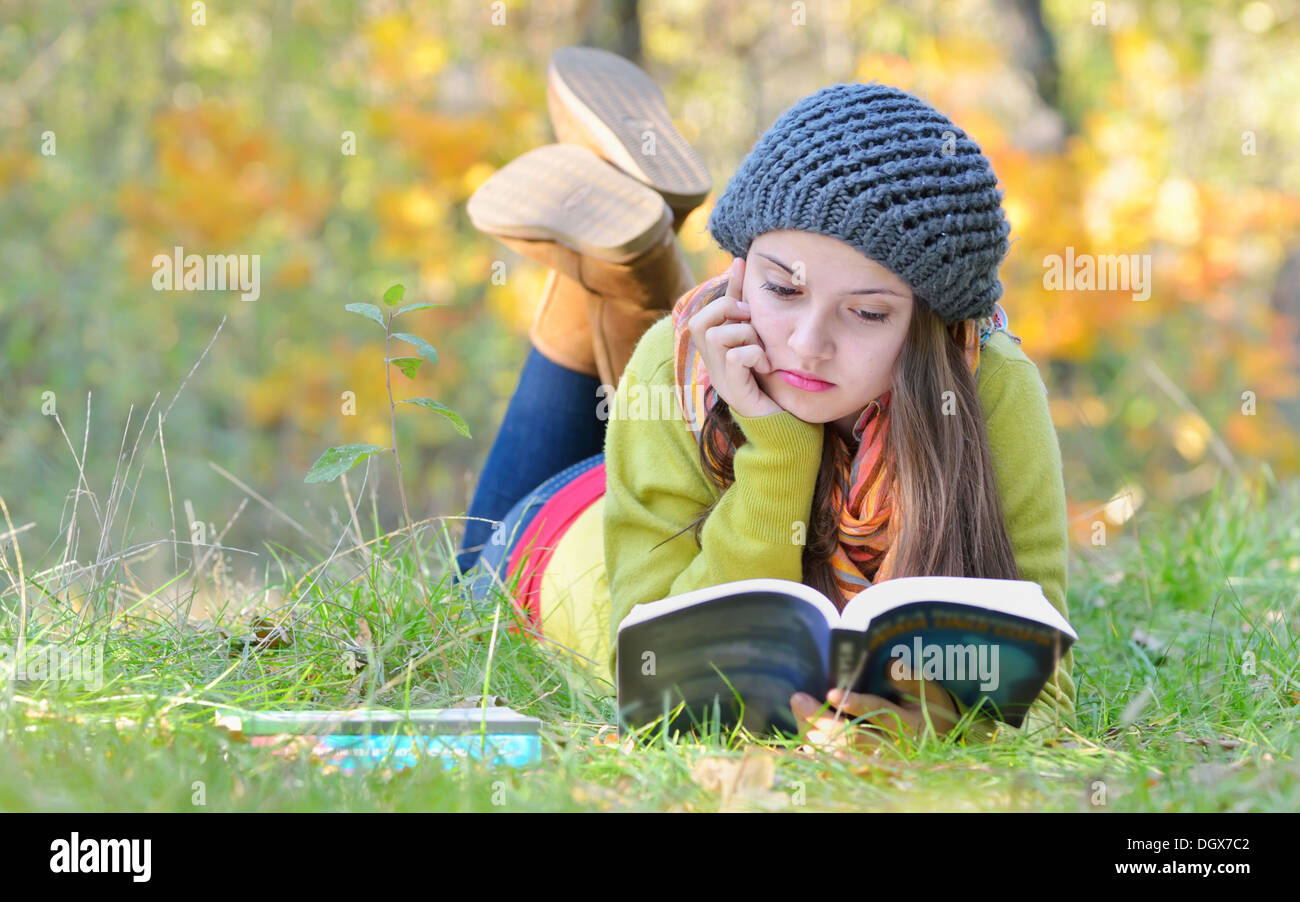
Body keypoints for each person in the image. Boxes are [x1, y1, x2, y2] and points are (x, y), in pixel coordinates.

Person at [455, 46, 1077, 756]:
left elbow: (1044, 680)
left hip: (676, 474)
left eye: (867, 313)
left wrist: (935, 728)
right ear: (743, 268)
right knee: (466, 561)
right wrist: (779, 446)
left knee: (706, 351)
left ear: (932, 325)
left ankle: (630, 254)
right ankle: (628, 264)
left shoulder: (987, 382)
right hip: (547, 537)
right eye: (782, 288)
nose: (809, 345)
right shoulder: (670, 362)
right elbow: (658, 672)